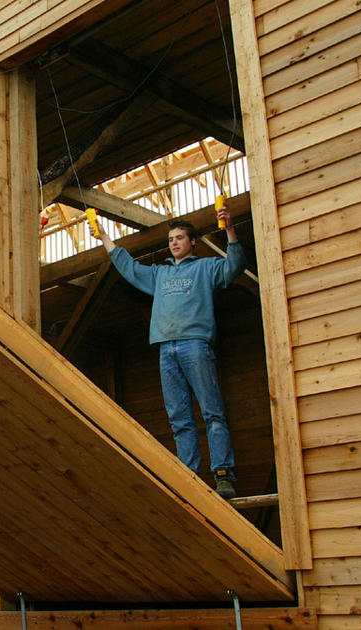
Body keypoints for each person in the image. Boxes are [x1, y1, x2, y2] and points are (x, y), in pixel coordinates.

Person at [90, 207, 244, 498]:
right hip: (166, 348)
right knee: (179, 418)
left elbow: (234, 266)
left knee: (212, 412)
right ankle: (189, 476)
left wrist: (230, 230)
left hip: (195, 344)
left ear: (193, 242)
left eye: (180, 238)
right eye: (171, 239)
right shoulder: (159, 275)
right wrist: (104, 236)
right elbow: (128, 267)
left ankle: (223, 475)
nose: (174, 243)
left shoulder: (206, 268)